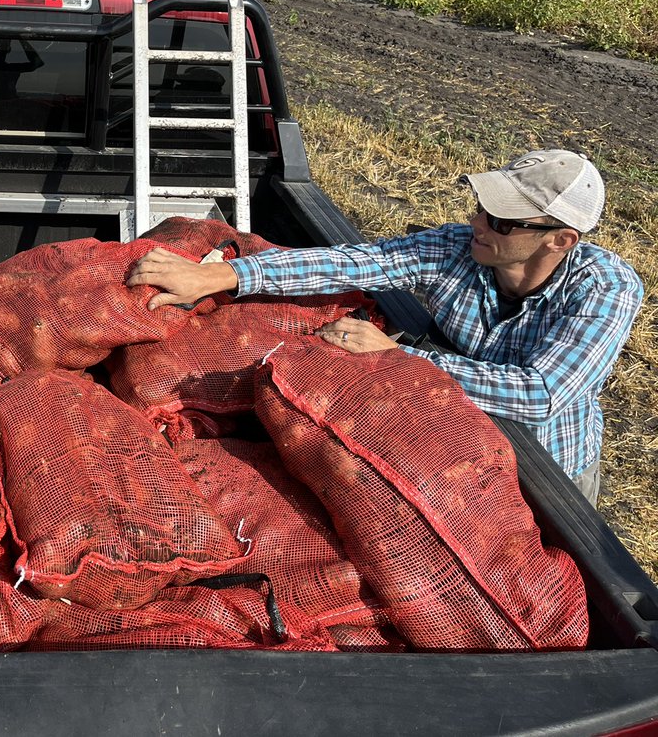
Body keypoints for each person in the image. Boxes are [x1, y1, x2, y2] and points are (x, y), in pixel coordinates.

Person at [127, 149, 644, 505]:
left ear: (561, 240)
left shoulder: (606, 290)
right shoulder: (457, 248)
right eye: (482, 209)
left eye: (503, 222)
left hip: (550, 469)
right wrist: (223, 274)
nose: (480, 226)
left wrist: (398, 359)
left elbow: (541, 394)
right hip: (459, 447)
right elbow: (352, 264)